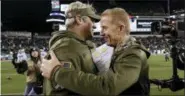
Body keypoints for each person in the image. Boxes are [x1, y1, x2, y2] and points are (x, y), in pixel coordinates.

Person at [41, 7, 151, 96]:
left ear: (120, 28)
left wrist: (57, 72)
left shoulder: (132, 55)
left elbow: (107, 87)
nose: (101, 32)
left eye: (105, 28)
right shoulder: (120, 50)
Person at [40, 1, 100, 95]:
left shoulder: (79, 44)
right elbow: (61, 89)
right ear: (79, 19)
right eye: (92, 20)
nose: (95, 25)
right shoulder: (66, 47)